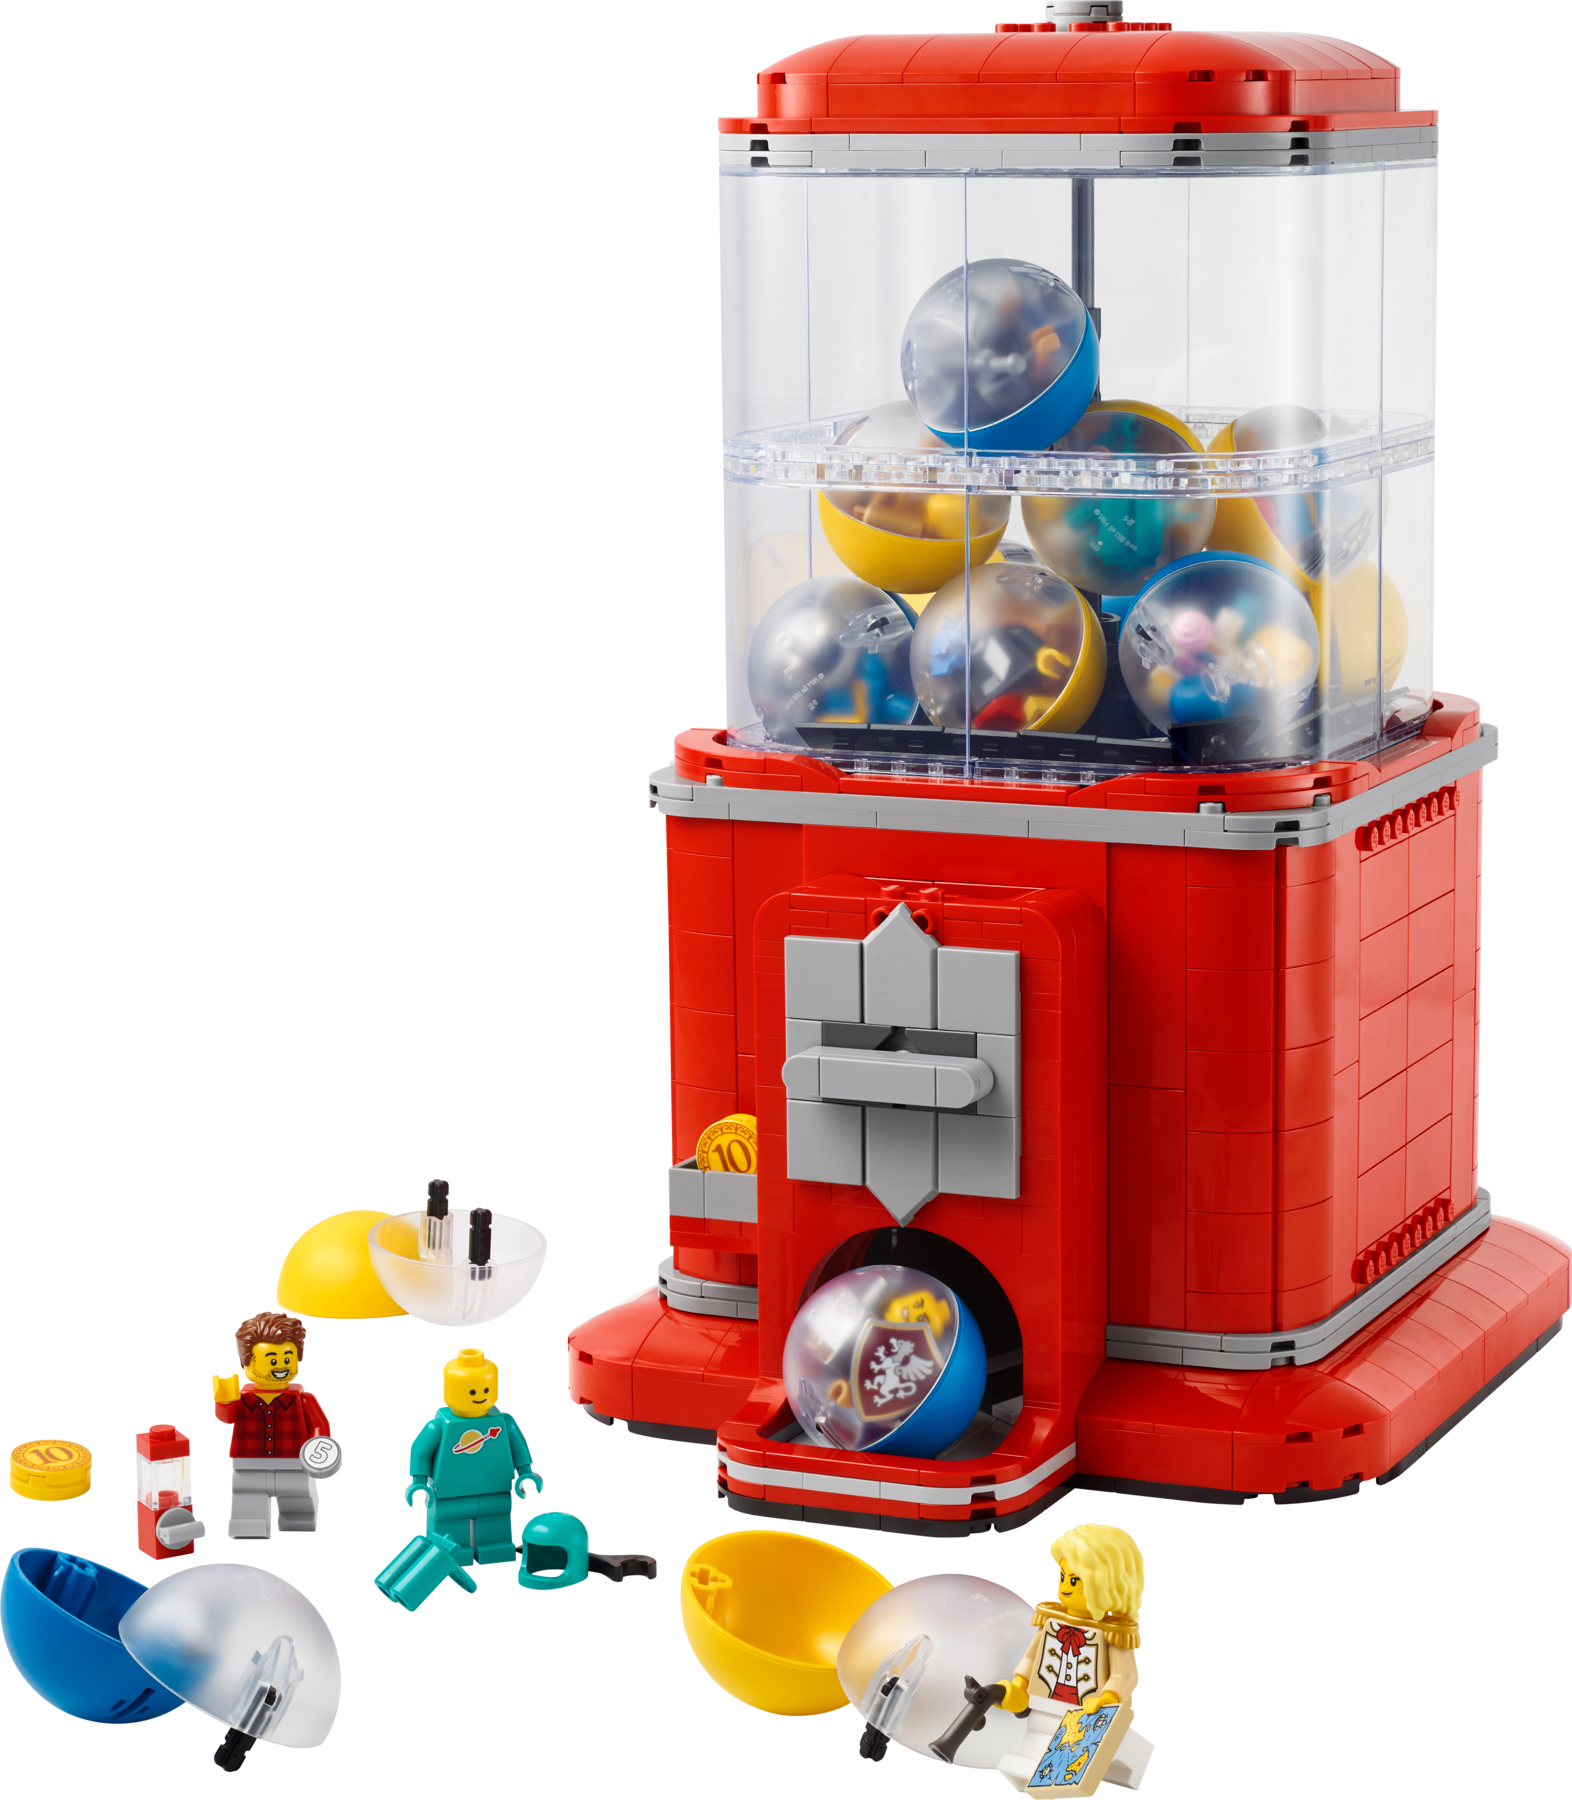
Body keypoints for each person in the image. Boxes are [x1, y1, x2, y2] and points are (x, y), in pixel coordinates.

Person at [992, 1521, 1154, 1796]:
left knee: (1095, 1751)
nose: (1065, 1586)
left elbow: (1125, 1675)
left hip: (1089, 1715)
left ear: (1107, 1584)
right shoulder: (1051, 1621)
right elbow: (1031, 1661)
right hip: (1046, 1702)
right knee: (1035, 1740)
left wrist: (1109, 1698)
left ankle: (1059, 1782)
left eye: (1075, 1580)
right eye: (1063, 1576)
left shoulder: (1113, 1633)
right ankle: (1028, 1771)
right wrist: (1018, 1686)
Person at [211, 1309, 331, 1540]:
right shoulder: (241, 1398)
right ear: (246, 1362)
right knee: (247, 1501)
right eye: (272, 1360)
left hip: (294, 1462)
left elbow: (320, 1425)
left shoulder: (303, 1398)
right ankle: (249, 1526)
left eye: (287, 1359)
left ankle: (297, 1524)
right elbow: (225, 1419)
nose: (281, 1367)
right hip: (249, 1463)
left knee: (297, 1503)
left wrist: (318, 1446)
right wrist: (224, 1401)